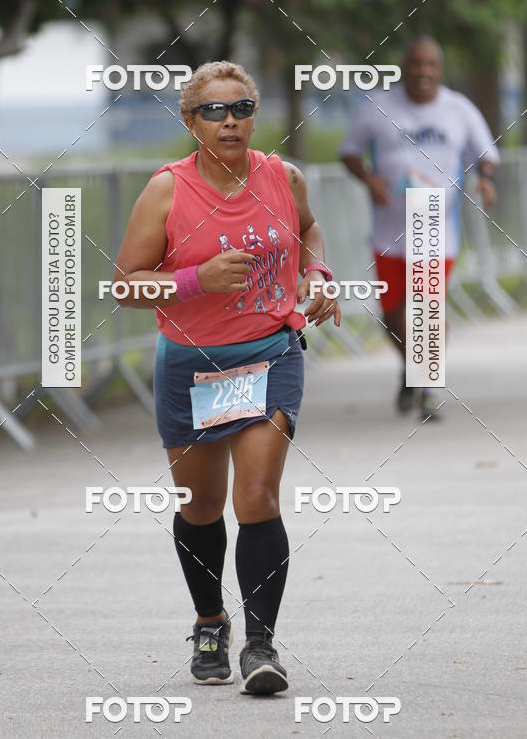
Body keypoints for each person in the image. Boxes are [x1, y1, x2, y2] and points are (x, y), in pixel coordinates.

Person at [114, 61, 340, 695]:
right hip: (191, 364)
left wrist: (316, 278)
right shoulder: (166, 191)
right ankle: (210, 622)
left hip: (271, 351)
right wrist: (196, 280)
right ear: (190, 122)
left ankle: (261, 646)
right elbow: (126, 284)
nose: (230, 120)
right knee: (202, 506)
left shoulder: (281, 176)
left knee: (258, 497)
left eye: (241, 108)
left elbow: (311, 230)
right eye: (214, 111)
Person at [340, 37, 499, 419]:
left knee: (429, 308)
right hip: (389, 230)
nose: (423, 71)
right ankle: (413, 369)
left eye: (431, 65)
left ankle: (427, 387)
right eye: (416, 64)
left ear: (439, 70)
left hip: (435, 226)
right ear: (405, 67)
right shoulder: (379, 106)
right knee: (393, 311)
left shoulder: (458, 109)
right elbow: (348, 151)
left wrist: (486, 179)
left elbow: (485, 155)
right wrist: (370, 180)